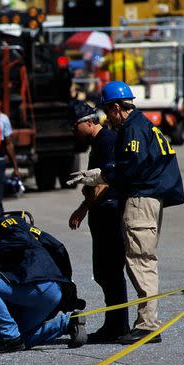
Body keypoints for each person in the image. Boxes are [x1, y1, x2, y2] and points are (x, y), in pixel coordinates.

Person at [68, 81, 184, 345]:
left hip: (141, 199)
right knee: (140, 261)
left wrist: (98, 175)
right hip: (149, 198)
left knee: (141, 261)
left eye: (108, 111)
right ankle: (145, 323)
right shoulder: (144, 126)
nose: (107, 117)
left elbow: (129, 169)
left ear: (118, 107)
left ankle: (148, 325)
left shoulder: (132, 130)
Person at [0, 204, 87, 353]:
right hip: (47, 293)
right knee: (22, 338)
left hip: (39, 286)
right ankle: (68, 324)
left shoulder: (7, 224)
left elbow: (22, 241)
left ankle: (10, 339)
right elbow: (59, 248)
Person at [66, 101, 129, 343]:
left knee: (111, 270)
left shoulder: (107, 141)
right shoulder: (97, 143)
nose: (73, 131)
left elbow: (104, 182)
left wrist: (82, 209)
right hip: (100, 213)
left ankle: (118, 325)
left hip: (109, 212)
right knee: (104, 272)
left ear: (89, 122)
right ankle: (114, 323)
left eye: (75, 126)